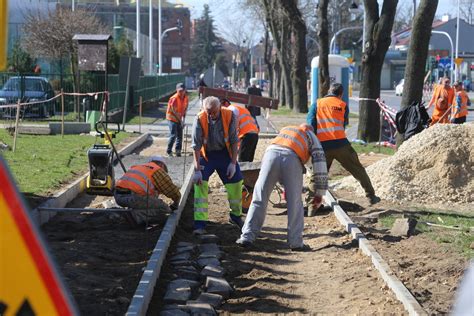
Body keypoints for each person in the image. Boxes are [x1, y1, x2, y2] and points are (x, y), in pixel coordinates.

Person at [236, 123, 328, 251]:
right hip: (291, 158)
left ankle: (246, 237)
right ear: (311, 130)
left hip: (270, 155)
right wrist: (320, 193)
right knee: (295, 203)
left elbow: (280, 153)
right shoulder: (311, 136)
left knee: (259, 198)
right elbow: (320, 164)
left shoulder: (287, 129)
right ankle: (296, 243)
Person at [307, 83, 380, 205]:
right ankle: (371, 196)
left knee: (317, 177)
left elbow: (310, 124)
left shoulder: (317, 104)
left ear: (329, 91)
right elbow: (343, 124)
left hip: (322, 146)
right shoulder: (343, 105)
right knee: (358, 170)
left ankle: (311, 206)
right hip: (341, 144)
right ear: (341, 94)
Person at [191, 96, 244, 234]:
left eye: (214, 112)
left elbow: (233, 141)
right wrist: (197, 169)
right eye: (208, 112)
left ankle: (236, 216)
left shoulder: (229, 115)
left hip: (224, 154)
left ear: (219, 107)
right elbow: (196, 146)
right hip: (207, 156)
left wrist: (233, 163)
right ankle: (200, 223)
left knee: (236, 182)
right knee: (200, 182)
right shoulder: (199, 118)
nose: (211, 115)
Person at [114, 156, 181, 226]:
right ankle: (133, 216)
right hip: (133, 197)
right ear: (162, 165)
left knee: (149, 203)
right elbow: (172, 191)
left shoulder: (140, 167)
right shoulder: (157, 170)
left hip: (118, 196)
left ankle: (130, 213)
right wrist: (175, 204)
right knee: (164, 209)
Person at [220, 98, 259, 162]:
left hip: (246, 136)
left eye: (221, 108)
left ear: (226, 104)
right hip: (254, 135)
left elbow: (233, 126)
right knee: (248, 161)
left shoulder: (230, 109)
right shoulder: (242, 109)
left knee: (242, 162)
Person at [166, 83, 188, 157]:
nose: (181, 92)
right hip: (172, 118)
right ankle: (169, 151)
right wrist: (181, 121)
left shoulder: (186, 98)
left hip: (179, 119)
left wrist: (183, 119)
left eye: (182, 90)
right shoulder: (174, 98)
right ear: (177, 90)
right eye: (179, 91)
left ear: (185, 90)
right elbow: (174, 111)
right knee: (173, 135)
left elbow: (185, 108)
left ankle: (178, 151)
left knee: (180, 135)